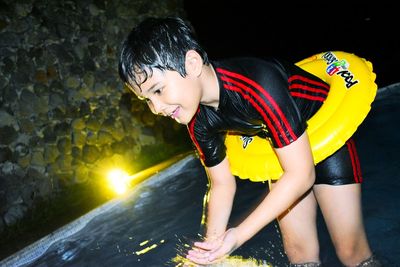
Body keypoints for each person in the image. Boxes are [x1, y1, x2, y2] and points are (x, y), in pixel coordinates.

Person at [118, 16, 382, 267]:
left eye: (158, 91)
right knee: (300, 256)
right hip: (282, 149)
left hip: (327, 141)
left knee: (351, 254)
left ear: (192, 64)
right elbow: (221, 184)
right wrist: (212, 246)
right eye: (147, 100)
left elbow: (301, 175)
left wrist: (238, 235)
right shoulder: (198, 122)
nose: (156, 108)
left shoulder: (257, 84)